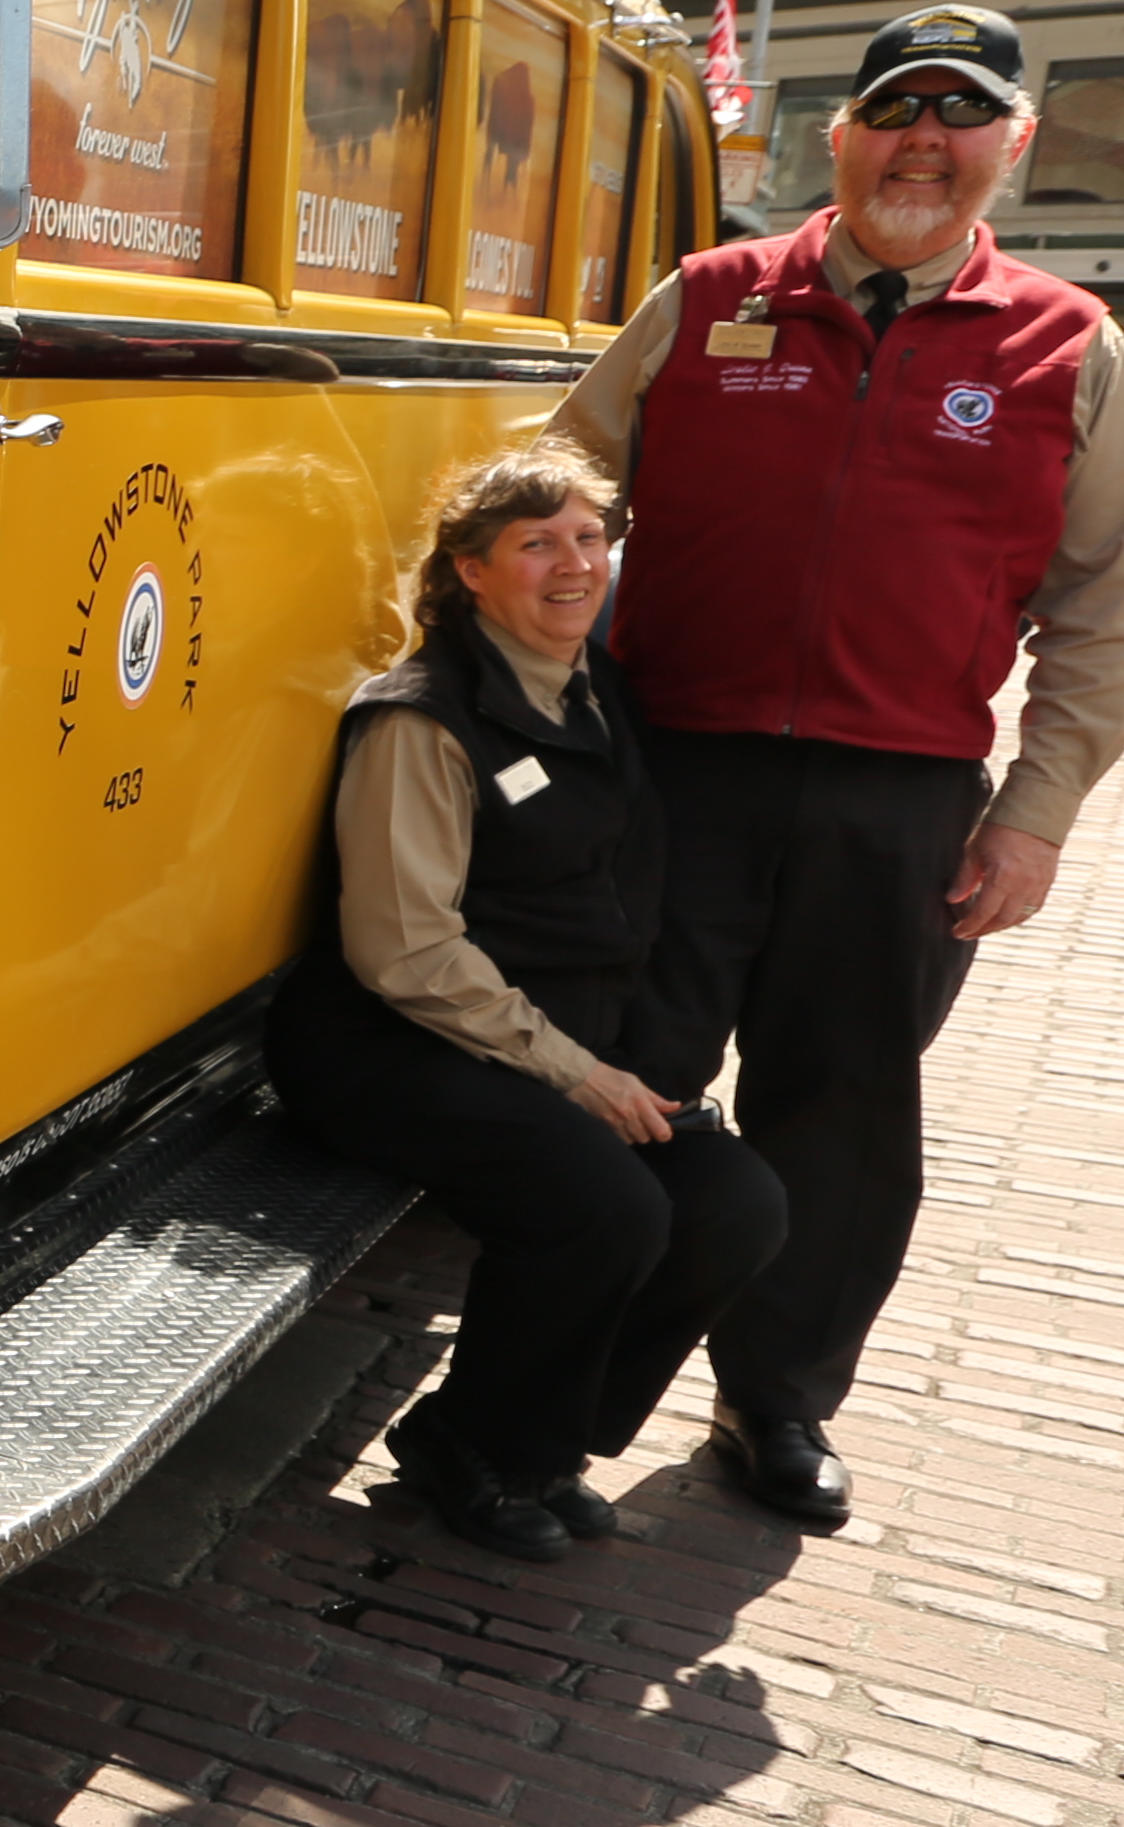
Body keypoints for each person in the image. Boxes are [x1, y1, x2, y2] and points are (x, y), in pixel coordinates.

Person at [556, 1, 1124, 1529]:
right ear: (843, 134)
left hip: (900, 805)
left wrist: (1035, 819)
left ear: (1011, 148)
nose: (925, 143)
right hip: (676, 775)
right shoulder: (709, 297)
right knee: (617, 1094)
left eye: (962, 118)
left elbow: (1101, 610)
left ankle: (776, 1404)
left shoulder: (1067, 346)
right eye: (899, 110)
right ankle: (551, 1395)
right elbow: (554, 493)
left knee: (842, 1118)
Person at [272, 447, 790, 1562]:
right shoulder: (421, 719)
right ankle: (477, 1448)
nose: (575, 564)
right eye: (536, 543)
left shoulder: (598, 695)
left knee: (734, 1198)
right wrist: (575, 1072)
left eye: (591, 538)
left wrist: (624, 1061)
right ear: (469, 571)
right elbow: (402, 949)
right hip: (391, 1043)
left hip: (538, 1047)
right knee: (604, 1205)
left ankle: (534, 1441)